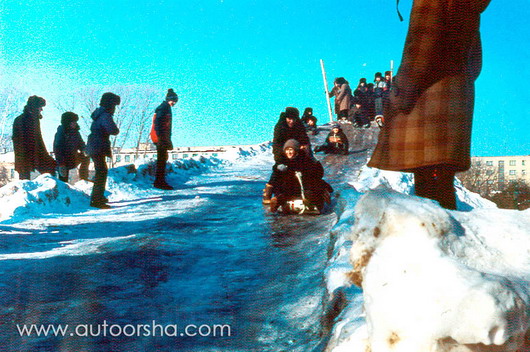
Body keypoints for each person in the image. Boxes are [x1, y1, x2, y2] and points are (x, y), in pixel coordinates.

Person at [368, 0, 491, 210]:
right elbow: (475, 62)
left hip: (427, 100)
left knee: (428, 192)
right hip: (456, 97)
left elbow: (420, 48)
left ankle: (435, 241)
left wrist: (398, 93)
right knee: (442, 186)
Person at [269, 139, 332, 213]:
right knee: (282, 194)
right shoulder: (282, 162)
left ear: (296, 150)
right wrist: (277, 170)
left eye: (291, 150)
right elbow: (274, 179)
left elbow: (317, 174)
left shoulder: (304, 160)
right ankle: (278, 203)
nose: (289, 152)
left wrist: (312, 162)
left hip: (304, 188)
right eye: (287, 150)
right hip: (289, 189)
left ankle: (313, 203)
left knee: (312, 192)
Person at [85, 92, 121, 209]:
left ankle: (98, 197)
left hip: (95, 145)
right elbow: (113, 130)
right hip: (98, 145)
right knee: (101, 172)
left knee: (101, 171)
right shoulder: (105, 115)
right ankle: (96, 199)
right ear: (110, 104)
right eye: (114, 105)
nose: (114, 109)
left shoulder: (99, 114)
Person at [12, 96, 56, 180]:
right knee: (24, 181)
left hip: (35, 153)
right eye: (40, 107)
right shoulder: (21, 120)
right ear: (35, 107)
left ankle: (50, 190)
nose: (41, 110)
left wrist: (45, 155)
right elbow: (19, 142)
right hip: (25, 156)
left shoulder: (34, 120)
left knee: (51, 167)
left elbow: (38, 139)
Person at [151, 88, 179, 190]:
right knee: (161, 160)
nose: (174, 103)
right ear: (168, 99)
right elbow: (157, 123)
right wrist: (162, 138)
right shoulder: (163, 108)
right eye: (173, 100)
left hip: (163, 137)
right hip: (160, 137)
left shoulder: (166, 107)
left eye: (176, 101)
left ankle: (160, 181)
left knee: (163, 159)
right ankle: (159, 182)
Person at [53, 112, 90, 183]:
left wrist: (84, 149)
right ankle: (63, 188)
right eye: (73, 122)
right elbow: (58, 149)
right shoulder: (61, 132)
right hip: (63, 160)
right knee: (63, 180)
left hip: (73, 158)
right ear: (67, 122)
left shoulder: (76, 133)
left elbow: (81, 144)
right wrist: (61, 164)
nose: (75, 123)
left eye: (75, 122)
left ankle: (83, 178)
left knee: (86, 157)